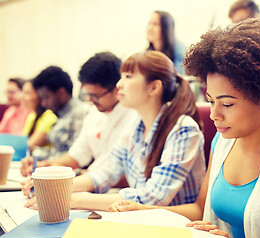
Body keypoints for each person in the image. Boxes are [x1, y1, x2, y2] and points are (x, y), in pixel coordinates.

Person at [108, 19, 260, 238]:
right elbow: (199, 208)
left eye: (226, 104)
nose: (214, 114)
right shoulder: (223, 141)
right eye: (211, 101)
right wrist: (146, 210)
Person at [23, 51, 206, 211]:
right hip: (141, 220)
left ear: (154, 87)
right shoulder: (135, 125)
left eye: (128, 77)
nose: (119, 84)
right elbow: (106, 171)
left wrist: (73, 199)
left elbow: (154, 197)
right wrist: (56, 186)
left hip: (174, 226)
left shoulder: (183, 129)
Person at [20, 52, 139, 176]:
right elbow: (77, 154)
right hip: (95, 181)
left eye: (95, 96)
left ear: (117, 88)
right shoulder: (95, 113)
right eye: (88, 95)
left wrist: (82, 175)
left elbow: (128, 174)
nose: (90, 101)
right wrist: (47, 166)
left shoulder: (133, 115)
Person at [29, 66, 88, 159]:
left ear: (61, 93)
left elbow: (75, 156)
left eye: (46, 97)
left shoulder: (80, 113)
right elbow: (57, 151)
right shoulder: (61, 114)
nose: (43, 103)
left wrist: (42, 162)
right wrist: (34, 156)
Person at [21, 80, 57, 155]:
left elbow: (28, 146)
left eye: (27, 93)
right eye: (22, 92)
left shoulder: (49, 116)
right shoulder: (32, 116)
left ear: (39, 96)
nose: (22, 97)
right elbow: (22, 142)